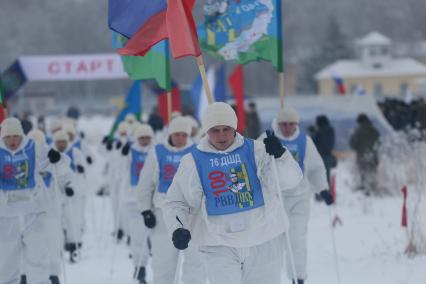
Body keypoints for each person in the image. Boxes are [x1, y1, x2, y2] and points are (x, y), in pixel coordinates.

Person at [163, 102, 303, 284]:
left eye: (226, 129)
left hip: (262, 238)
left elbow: (288, 181)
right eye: (215, 130)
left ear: (235, 127)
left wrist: (280, 156)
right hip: (219, 244)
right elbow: (176, 201)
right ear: (206, 130)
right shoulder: (192, 161)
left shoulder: (256, 150)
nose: (221, 135)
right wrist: (177, 228)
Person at [259, 108, 333, 284]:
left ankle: (297, 277)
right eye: (283, 124)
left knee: (297, 238)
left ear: (297, 124)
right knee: (273, 242)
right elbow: (255, 164)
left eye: (291, 124)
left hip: (299, 197)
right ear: (277, 124)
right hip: (274, 198)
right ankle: (270, 279)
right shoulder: (266, 139)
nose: (287, 128)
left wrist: (322, 188)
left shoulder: (304, 141)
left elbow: (315, 167)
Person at [137, 116, 205, 284]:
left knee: (196, 262)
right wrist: (146, 210)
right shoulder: (157, 151)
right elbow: (145, 183)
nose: (180, 138)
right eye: (177, 134)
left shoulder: (198, 151)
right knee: (163, 261)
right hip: (163, 213)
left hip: (192, 213)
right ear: (170, 134)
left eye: (184, 134)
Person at [0, 118, 66, 284]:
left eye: (16, 136)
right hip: (7, 216)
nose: (12, 141)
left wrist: (56, 158)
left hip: (33, 213)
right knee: (6, 264)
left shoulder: (34, 148)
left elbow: (61, 164)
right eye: (8, 137)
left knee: (38, 260)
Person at [28, 129, 75, 284]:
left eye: (38, 143)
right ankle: (29, 275)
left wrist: (58, 158)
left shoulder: (50, 158)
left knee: (54, 242)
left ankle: (54, 274)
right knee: (33, 246)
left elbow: (65, 168)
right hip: (31, 211)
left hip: (51, 209)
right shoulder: (24, 159)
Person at [120, 124, 155, 284]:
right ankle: (139, 267)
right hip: (132, 200)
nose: (145, 140)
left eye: (148, 137)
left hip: (152, 200)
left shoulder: (155, 151)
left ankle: (157, 267)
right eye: (142, 137)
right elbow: (118, 167)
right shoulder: (130, 151)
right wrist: (122, 153)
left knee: (155, 237)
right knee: (137, 236)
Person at [52, 130, 86, 262]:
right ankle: (58, 247)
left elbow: (81, 165)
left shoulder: (74, 151)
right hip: (56, 194)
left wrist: (81, 167)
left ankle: (73, 248)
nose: (61, 144)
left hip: (72, 192)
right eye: (58, 142)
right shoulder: (52, 153)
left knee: (72, 220)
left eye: (63, 141)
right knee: (58, 222)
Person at [349, 114, 380, 194]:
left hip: (362, 156)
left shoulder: (358, 131)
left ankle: (365, 189)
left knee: (363, 174)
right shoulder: (374, 130)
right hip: (373, 156)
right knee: (372, 172)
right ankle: (373, 188)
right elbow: (379, 144)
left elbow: (353, 145)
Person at [313, 115, 336, 184]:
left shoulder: (320, 131)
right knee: (326, 177)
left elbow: (314, 142)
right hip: (328, 156)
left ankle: (321, 193)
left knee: (319, 178)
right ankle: (326, 192)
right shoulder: (331, 130)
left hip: (320, 157)